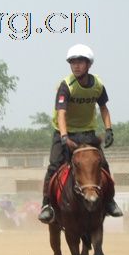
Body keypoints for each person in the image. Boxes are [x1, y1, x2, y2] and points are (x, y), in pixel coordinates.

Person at [38, 44, 123, 224]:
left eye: (80, 62)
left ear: (88, 64)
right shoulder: (66, 86)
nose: (76, 66)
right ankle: (47, 205)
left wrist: (109, 130)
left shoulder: (98, 85)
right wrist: (63, 136)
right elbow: (61, 113)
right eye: (73, 62)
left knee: (103, 165)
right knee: (54, 166)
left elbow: (104, 108)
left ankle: (109, 201)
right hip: (64, 132)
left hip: (87, 133)